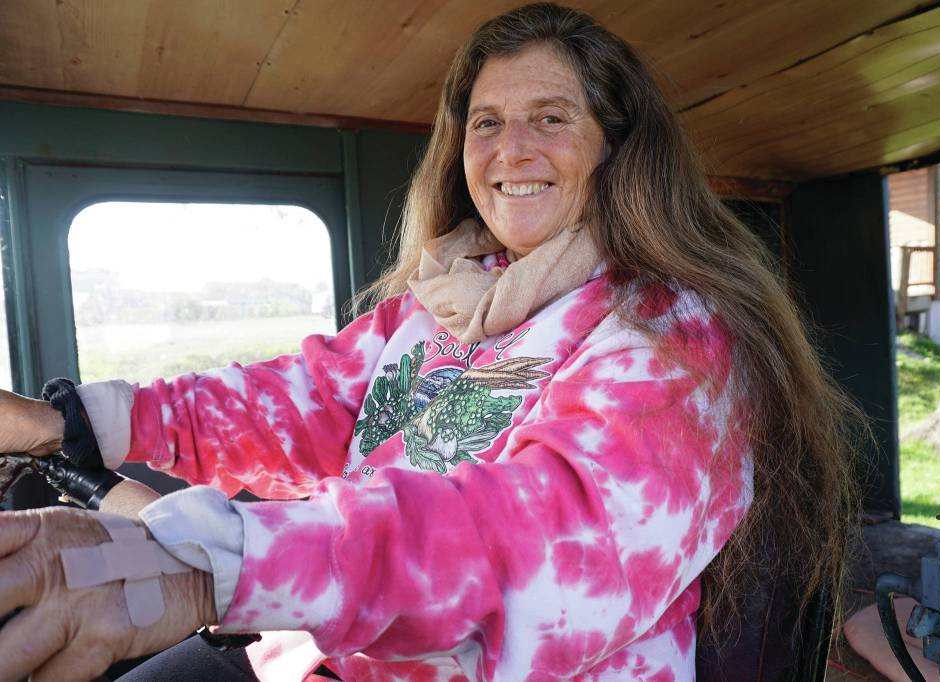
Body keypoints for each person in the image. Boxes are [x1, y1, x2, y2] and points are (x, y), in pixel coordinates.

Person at [0, 4, 860, 681]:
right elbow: (310, 398)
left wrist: (208, 568)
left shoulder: (676, 339)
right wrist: (74, 422)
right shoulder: (449, 295)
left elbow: (528, 542)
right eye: (486, 122)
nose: (509, 150)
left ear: (618, 151)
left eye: (551, 118)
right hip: (334, 641)